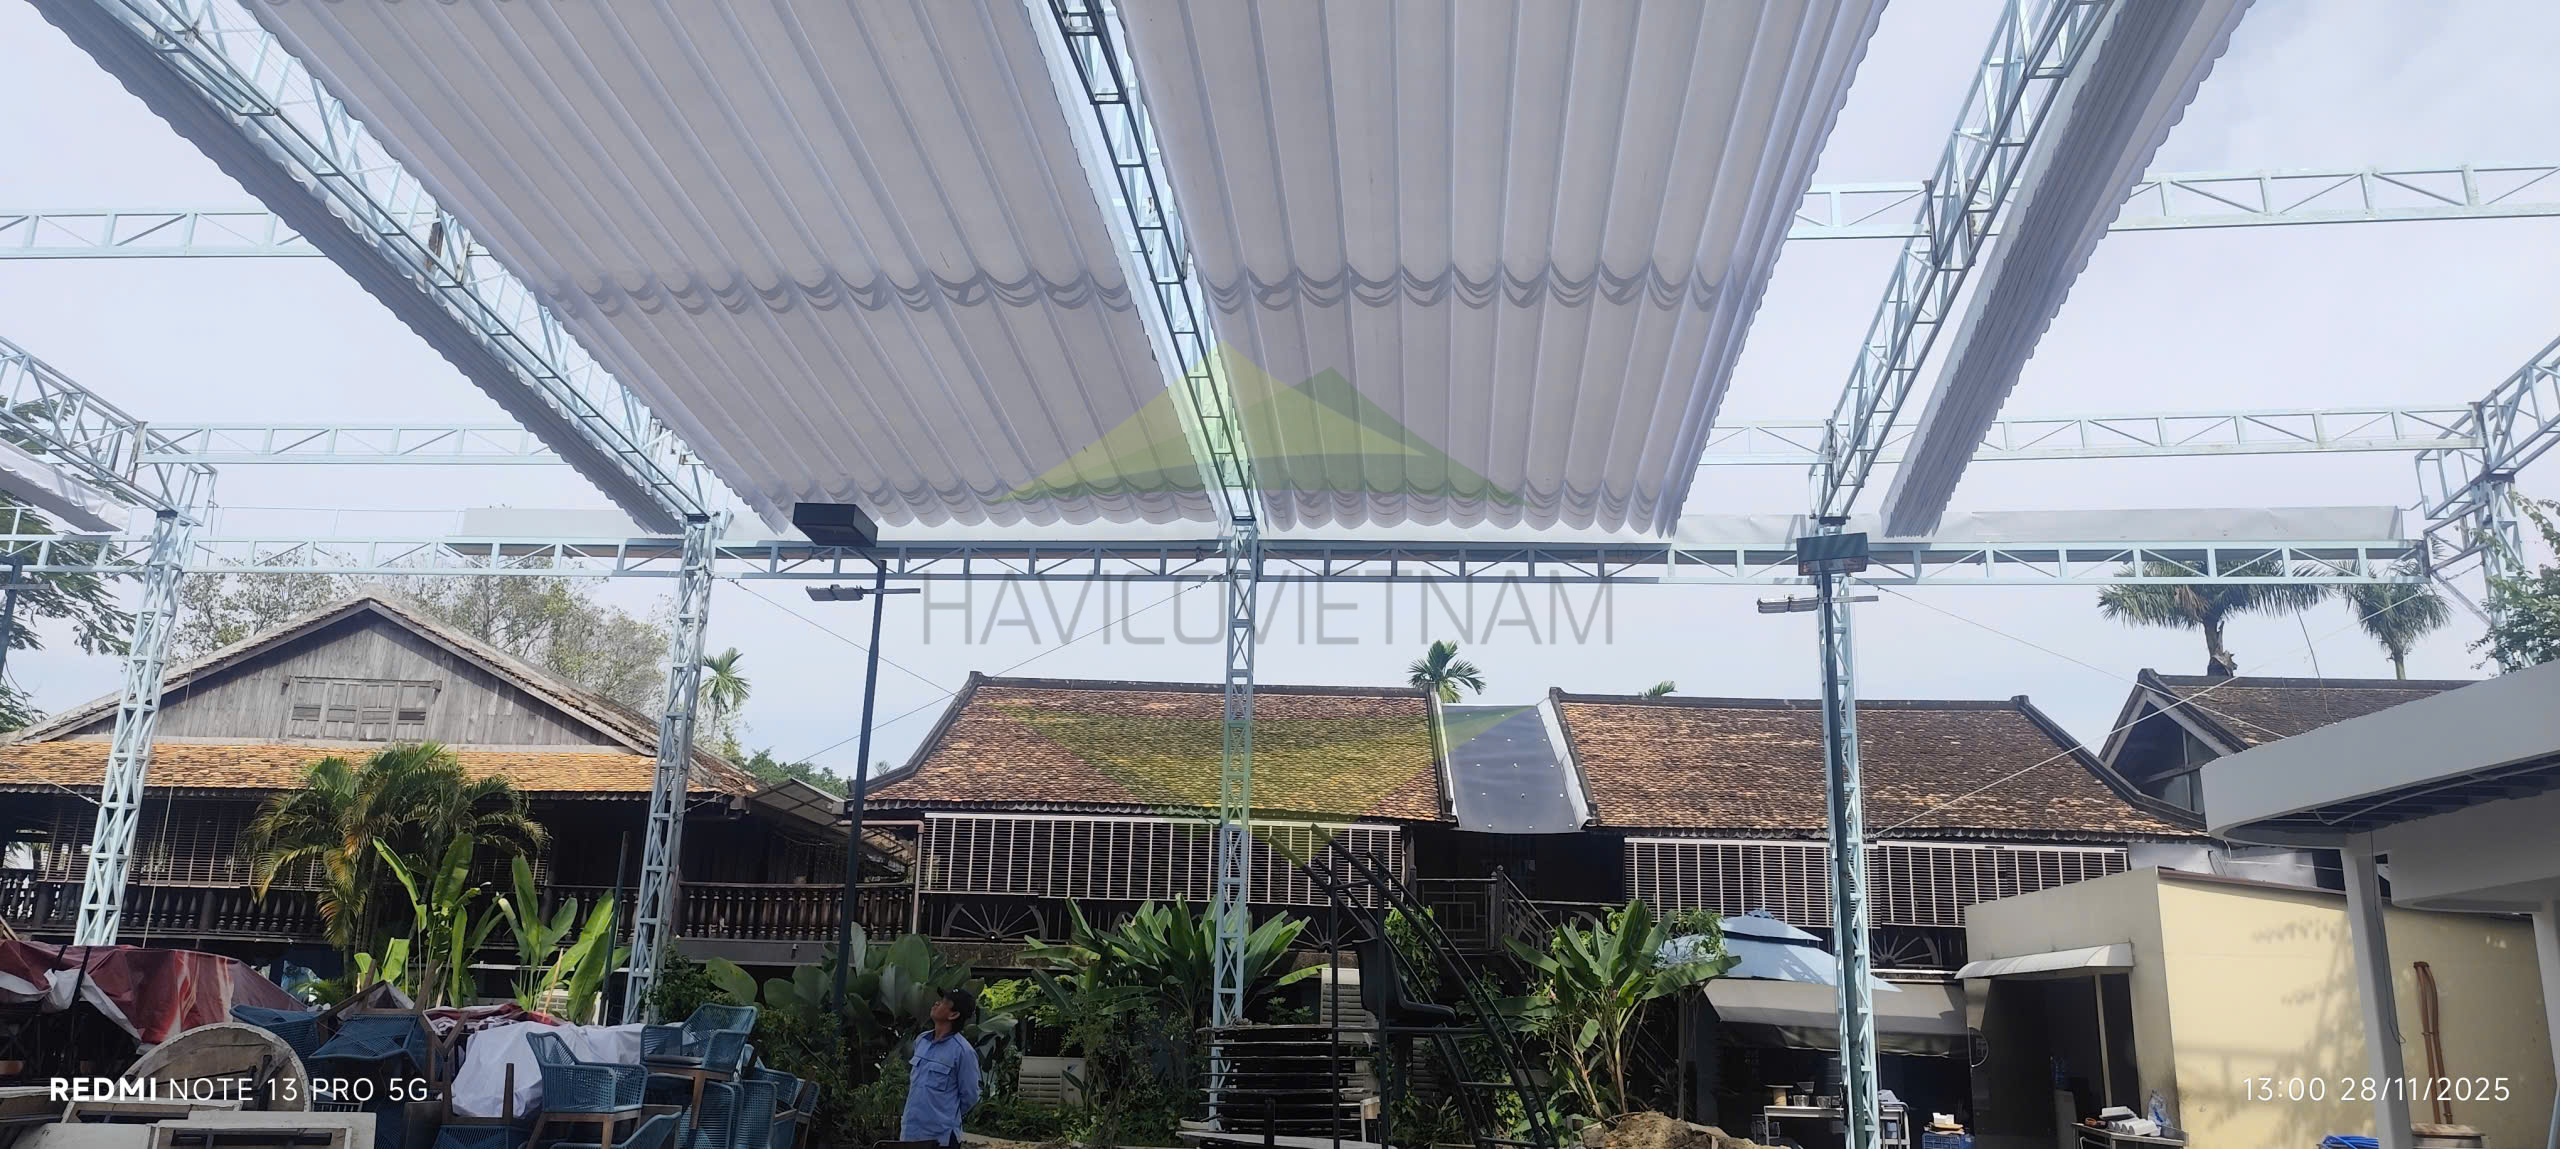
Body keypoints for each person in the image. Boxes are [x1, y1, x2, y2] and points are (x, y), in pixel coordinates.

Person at [899, 988, 982, 1147]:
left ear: (953, 1015)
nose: (937, 1003)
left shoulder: (963, 1051)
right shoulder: (922, 1040)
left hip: (940, 1139)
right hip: (910, 1133)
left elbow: (970, 1096)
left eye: (944, 1002)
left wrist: (944, 1116)